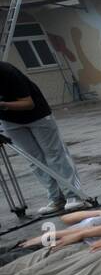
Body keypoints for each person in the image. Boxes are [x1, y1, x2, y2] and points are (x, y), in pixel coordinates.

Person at [0, 59, 91, 216]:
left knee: (54, 155)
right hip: (10, 121)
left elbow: (28, 103)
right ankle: (56, 199)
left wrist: (2, 105)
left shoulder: (7, 72)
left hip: (37, 116)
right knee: (34, 160)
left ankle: (74, 195)